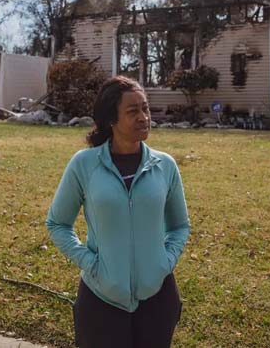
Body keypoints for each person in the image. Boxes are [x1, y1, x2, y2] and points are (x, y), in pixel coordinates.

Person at [46, 76, 191, 348]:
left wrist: (166, 261)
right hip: (101, 300)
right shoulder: (84, 165)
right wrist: (92, 265)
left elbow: (179, 226)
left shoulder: (165, 166)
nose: (143, 117)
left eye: (145, 109)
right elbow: (57, 223)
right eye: (132, 111)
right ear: (110, 118)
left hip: (158, 299)